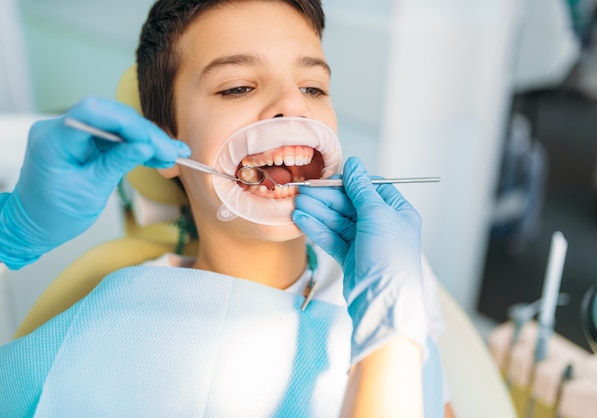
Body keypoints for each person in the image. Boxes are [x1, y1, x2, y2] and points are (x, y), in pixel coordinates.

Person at [0, 1, 454, 416]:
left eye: (314, 87)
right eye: (237, 87)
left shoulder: (391, 270)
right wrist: (9, 235)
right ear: (167, 145)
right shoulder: (98, 338)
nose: (293, 105)